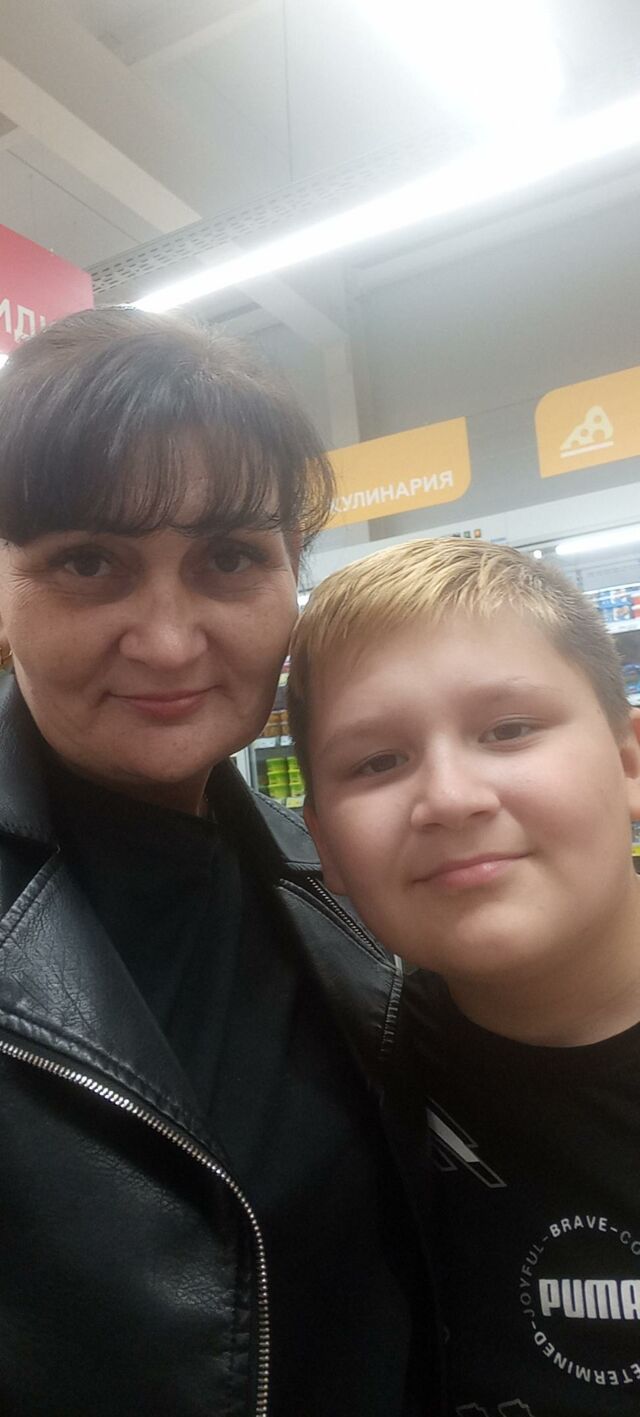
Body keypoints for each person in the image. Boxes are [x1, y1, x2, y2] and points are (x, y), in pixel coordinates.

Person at [0, 308, 431, 1417]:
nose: (168, 639)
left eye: (230, 556)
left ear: (292, 581)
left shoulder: (343, 888)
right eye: (87, 561)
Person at [289, 535, 640, 1416]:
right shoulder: (334, 1084)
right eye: (377, 761)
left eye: (508, 729)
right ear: (324, 843)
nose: (450, 797)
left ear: (630, 760)